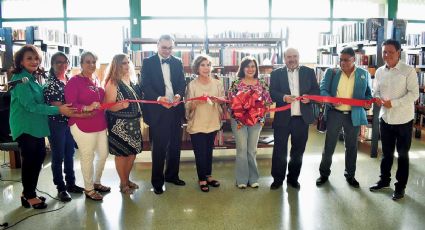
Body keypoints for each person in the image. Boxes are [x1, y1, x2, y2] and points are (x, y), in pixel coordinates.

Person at [9, 45, 75, 209]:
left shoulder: (32, 78)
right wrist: (59, 109)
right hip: (25, 126)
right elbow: (31, 106)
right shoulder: (20, 79)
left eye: (36, 58)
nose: (34, 61)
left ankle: (28, 192)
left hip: (37, 126)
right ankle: (29, 195)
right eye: (29, 58)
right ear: (21, 61)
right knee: (30, 160)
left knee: (38, 159)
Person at [369, 39, 419, 201]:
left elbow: (414, 94)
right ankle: (384, 181)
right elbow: (375, 91)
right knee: (386, 153)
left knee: (403, 155)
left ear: (399, 53)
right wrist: (376, 98)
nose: (386, 55)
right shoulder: (379, 72)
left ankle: (400, 187)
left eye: (390, 52)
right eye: (384, 52)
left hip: (404, 120)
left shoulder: (408, 71)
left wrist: (394, 103)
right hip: (385, 118)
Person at [316, 47, 372, 188]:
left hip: (353, 116)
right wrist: (331, 99)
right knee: (329, 146)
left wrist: (367, 102)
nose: (342, 62)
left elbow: (368, 94)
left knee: (352, 147)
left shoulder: (363, 74)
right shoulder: (332, 72)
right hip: (335, 114)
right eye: (340, 59)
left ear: (354, 59)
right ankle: (324, 174)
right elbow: (323, 90)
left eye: (346, 60)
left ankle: (350, 175)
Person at [140, 34, 186, 195]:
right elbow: (144, 85)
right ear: (157, 46)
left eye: (170, 48)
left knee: (175, 145)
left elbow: (182, 82)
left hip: (175, 109)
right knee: (159, 148)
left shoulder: (177, 61)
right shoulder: (148, 62)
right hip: (158, 110)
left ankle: (172, 175)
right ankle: (157, 182)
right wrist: (159, 99)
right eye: (164, 47)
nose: (167, 51)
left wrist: (179, 95)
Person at [269, 48, 320, 190]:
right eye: (289, 57)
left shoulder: (308, 72)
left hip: (301, 119)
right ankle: (277, 179)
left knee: (298, 151)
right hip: (282, 119)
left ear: (299, 57)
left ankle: (293, 178)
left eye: (295, 56)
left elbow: (316, 91)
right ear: (284, 58)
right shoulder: (276, 74)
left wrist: (309, 98)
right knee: (279, 151)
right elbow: (272, 93)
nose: (292, 59)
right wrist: (283, 97)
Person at [65, 51, 110, 201]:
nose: (91, 65)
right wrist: (87, 107)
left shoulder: (96, 79)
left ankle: (97, 182)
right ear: (81, 64)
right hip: (82, 124)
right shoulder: (74, 81)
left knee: (103, 154)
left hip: (99, 123)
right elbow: (70, 104)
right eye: (87, 62)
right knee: (87, 156)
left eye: (93, 62)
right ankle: (89, 188)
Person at [44, 52, 86, 202]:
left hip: (69, 122)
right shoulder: (51, 83)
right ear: (52, 64)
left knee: (70, 153)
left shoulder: (68, 79)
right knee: (58, 156)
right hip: (56, 123)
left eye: (65, 62)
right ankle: (61, 187)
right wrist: (82, 110)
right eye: (58, 62)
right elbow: (59, 106)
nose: (62, 65)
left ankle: (71, 183)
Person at [229, 56, 272, 189]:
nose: (250, 69)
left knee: (252, 150)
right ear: (242, 68)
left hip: (256, 121)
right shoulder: (236, 83)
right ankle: (241, 179)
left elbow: (268, 102)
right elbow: (230, 101)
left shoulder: (262, 83)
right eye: (247, 66)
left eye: (253, 66)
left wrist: (260, 110)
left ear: (256, 68)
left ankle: (253, 178)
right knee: (241, 149)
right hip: (238, 121)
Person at [104, 54, 143, 194]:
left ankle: (127, 179)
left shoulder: (130, 80)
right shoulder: (113, 82)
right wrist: (120, 106)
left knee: (132, 153)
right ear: (116, 65)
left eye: (128, 62)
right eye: (123, 63)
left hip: (133, 124)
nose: (126, 66)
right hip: (119, 126)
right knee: (122, 154)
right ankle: (123, 182)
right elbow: (107, 106)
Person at [185, 55, 224, 192]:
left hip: (212, 122)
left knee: (208, 151)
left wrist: (218, 100)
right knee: (200, 153)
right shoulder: (192, 85)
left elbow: (223, 100)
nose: (206, 68)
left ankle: (208, 175)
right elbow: (187, 106)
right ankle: (201, 178)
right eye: (202, 65)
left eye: (208, 65)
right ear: (197, 67)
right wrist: (195, 102)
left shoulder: (218, 83)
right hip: (197, 124)